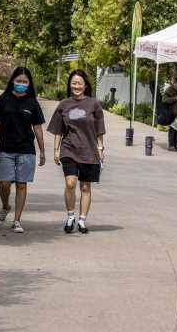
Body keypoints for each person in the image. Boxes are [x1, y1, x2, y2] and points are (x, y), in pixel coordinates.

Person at [0, 67, 46, 233]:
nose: (21, 84)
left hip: (26, 149)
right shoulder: (3, 100)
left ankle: (17, 220)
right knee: (4, 183)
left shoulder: (32, 103)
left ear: (29, 84)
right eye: (18, 81)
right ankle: (5, 206)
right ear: (13, 81)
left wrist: (42, 151)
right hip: (5, 148)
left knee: (21, 184)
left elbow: (38, 128)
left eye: (24, 82)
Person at [48, 69, 106, 234]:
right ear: (69, 85)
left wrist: (100, 148)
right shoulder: (64, 105)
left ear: (86, 85)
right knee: (70, 183)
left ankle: (82, 220)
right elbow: (58, 130)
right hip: (69, 148)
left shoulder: (94, 105)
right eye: (74, 83)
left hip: (89, 151)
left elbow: (99, 129)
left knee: (85, 187)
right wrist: (56, 150)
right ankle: (70, 216)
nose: (77, 86)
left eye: (80, 83)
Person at [162, 75, 177, 151]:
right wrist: (175, 98)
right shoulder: (170, 89)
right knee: (172, 129)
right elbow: (164, 100)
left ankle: (175, 145)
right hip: (171, 111)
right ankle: (171, 145)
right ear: (176, 82)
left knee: (176, 129)